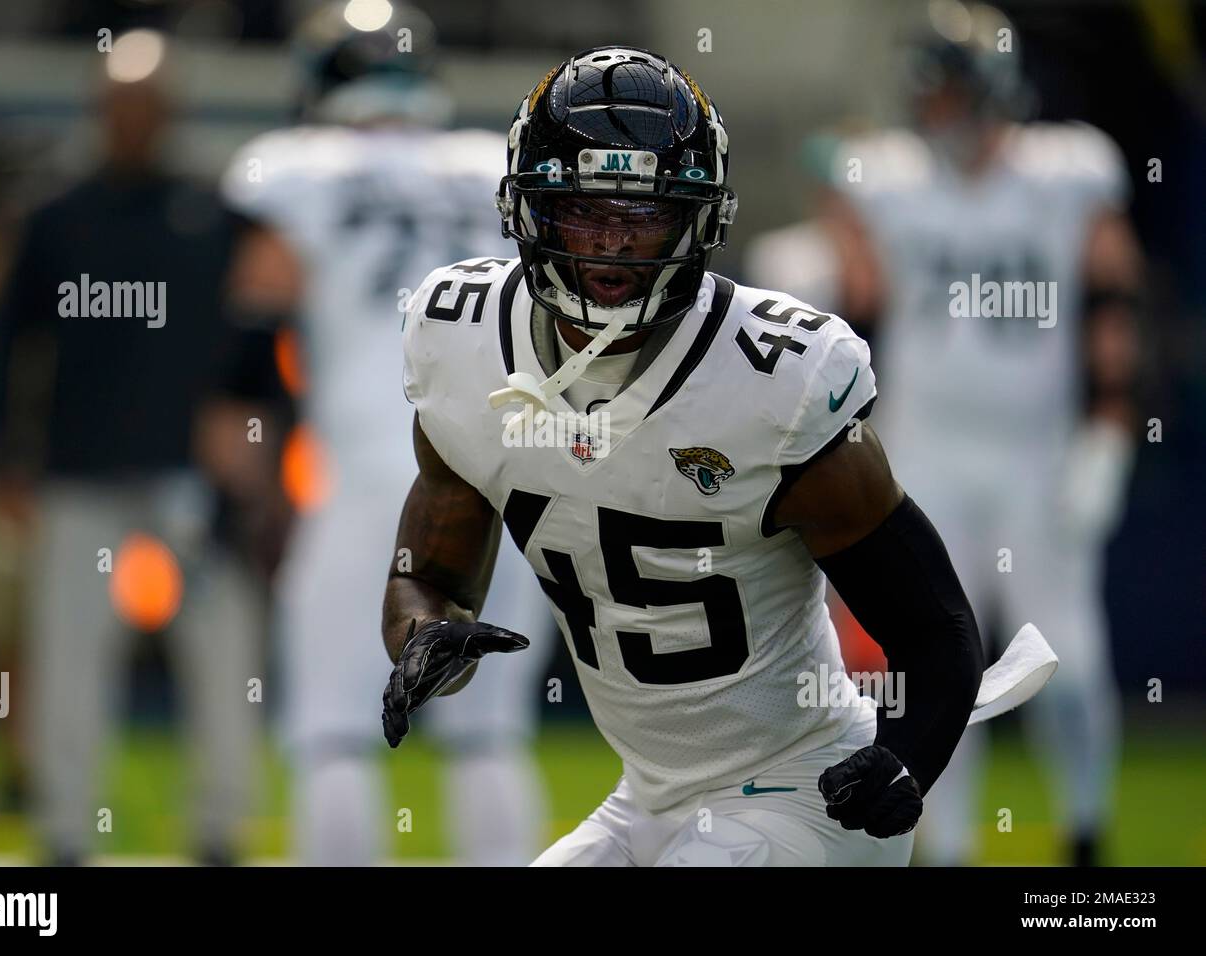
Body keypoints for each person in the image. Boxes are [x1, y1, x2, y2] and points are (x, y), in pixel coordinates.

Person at [378, 45, 1017, 867]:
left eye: (643, 215)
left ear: (698, 217)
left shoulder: (776, 381)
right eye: (585, 210)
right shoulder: (460, 341)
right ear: (529, 209)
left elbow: (934, 629)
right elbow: (427, 575)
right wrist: (423, 637)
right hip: (646, 795)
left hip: (799, 789)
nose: (611, 244)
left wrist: (908, 759)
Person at [748, 1, 1141, 866]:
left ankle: (1085, 833)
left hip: (1037, 459)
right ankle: (948, 847)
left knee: (1069, 669)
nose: (931, 111)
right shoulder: (886, 178)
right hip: (922, 458)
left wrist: (1111, 431)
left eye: (947, 91)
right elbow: (862, 307)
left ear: (991, 88)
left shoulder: (1067, 170)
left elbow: (1113, 297)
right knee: (938, 668)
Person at [220, 1, 551, 866]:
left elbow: (255, 310)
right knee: (487, 732)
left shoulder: (292, 169)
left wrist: (248, 471)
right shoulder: (492, 163)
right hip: (513, 469)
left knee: (332, 725)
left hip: (378, 470)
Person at [0, 31, 266, 865]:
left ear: (171, 112)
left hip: (194, 480)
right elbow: (9, 346)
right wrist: (3, 458)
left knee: (222, 657)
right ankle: (66, 832)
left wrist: (253, 440)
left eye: (149, 104)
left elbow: (258, 335)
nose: (134, 120)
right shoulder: (53, 216)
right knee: (71, 658)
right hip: (80, 471)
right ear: (98, 110)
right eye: (121, 104)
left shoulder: (217, 212)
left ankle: (221, 828)